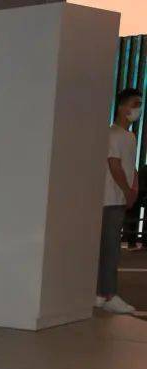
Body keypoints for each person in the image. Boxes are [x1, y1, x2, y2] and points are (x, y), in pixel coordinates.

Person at [98, 87, 142, 314]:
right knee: (110, 249)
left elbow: (128, 166)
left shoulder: (130, 136)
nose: (138, 109)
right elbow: (114, 165)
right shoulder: (112, 134)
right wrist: (127, 190)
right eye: (135, 104)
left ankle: (101, 293)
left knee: (109, 248)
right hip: (109, 198)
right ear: (122, 107)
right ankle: (108, 294)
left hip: (119, 198)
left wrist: (133, 188)